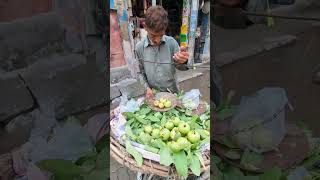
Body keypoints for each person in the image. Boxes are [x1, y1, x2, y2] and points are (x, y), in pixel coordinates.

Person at [135, 6, 189, 99]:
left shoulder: (171, 43)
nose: (157, 40)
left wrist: (183, 61)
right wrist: (146, 88)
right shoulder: (139, 48)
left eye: (161, 35)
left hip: (172, 93)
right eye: (153, 35)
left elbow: (182, 68)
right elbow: (140, 72)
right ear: (145, 27)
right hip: (153, 95)